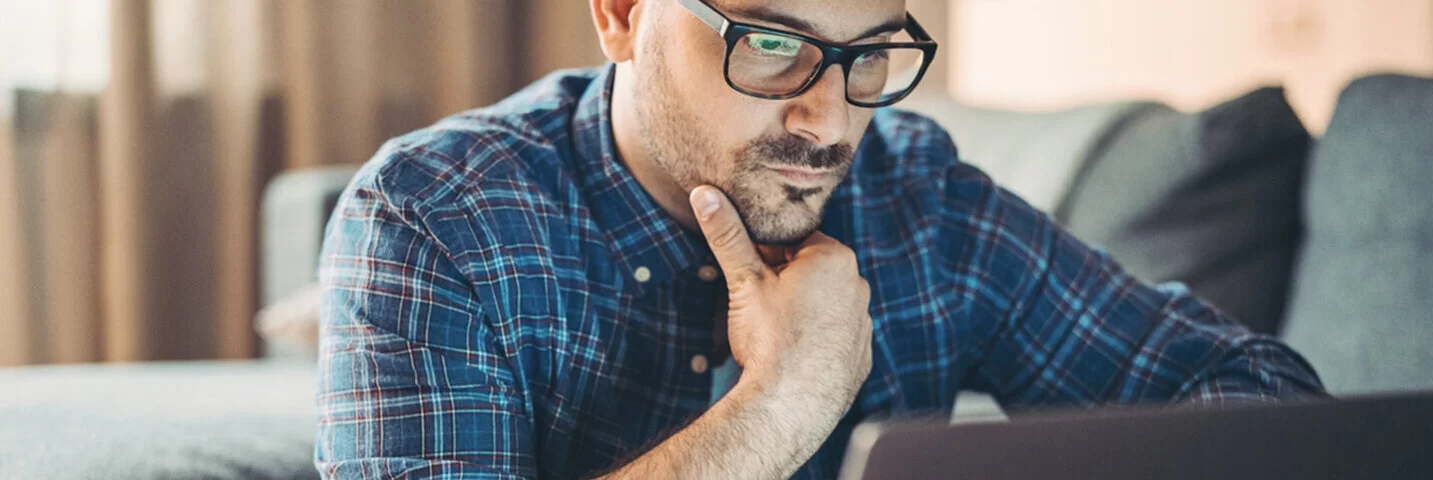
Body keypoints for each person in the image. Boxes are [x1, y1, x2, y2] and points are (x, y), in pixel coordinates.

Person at [315, 0, 1324, 478]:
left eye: (871, 55)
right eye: (770, 45)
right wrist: (787, 400)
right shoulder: (436, 216)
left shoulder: (922, 204)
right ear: (622, 16)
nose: (829, 121)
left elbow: (1261, 397)